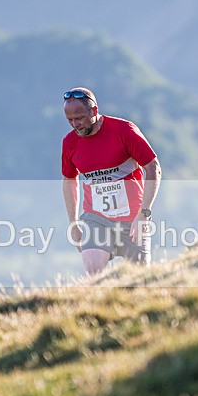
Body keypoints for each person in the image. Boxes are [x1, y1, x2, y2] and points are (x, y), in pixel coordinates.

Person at [61, 87, 162, 275]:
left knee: (140, 279)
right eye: (70, 120)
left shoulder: (124, 130)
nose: (75, 125)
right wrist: (73, 222)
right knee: (93, 273)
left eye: (79, 118)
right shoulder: (70, 142)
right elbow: (69, 180)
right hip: (96, 218)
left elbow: (153, 167)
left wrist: (144, 213)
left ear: (94, 111)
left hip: (132, 217)